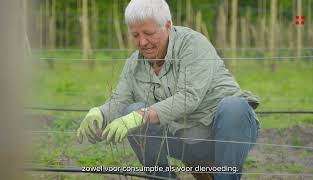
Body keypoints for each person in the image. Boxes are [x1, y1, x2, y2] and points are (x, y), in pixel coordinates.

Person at [77, 0, 260, 179]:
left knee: (234, 107)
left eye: (148, 33)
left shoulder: (193, 45)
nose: (142, 42)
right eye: (135, 35)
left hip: (223, 134)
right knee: (131, 110)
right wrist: (100, 113)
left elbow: (189, 97)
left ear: (167, 25)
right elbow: (121, 99)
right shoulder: (134, 64)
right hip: (182, 138)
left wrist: (140, 116)